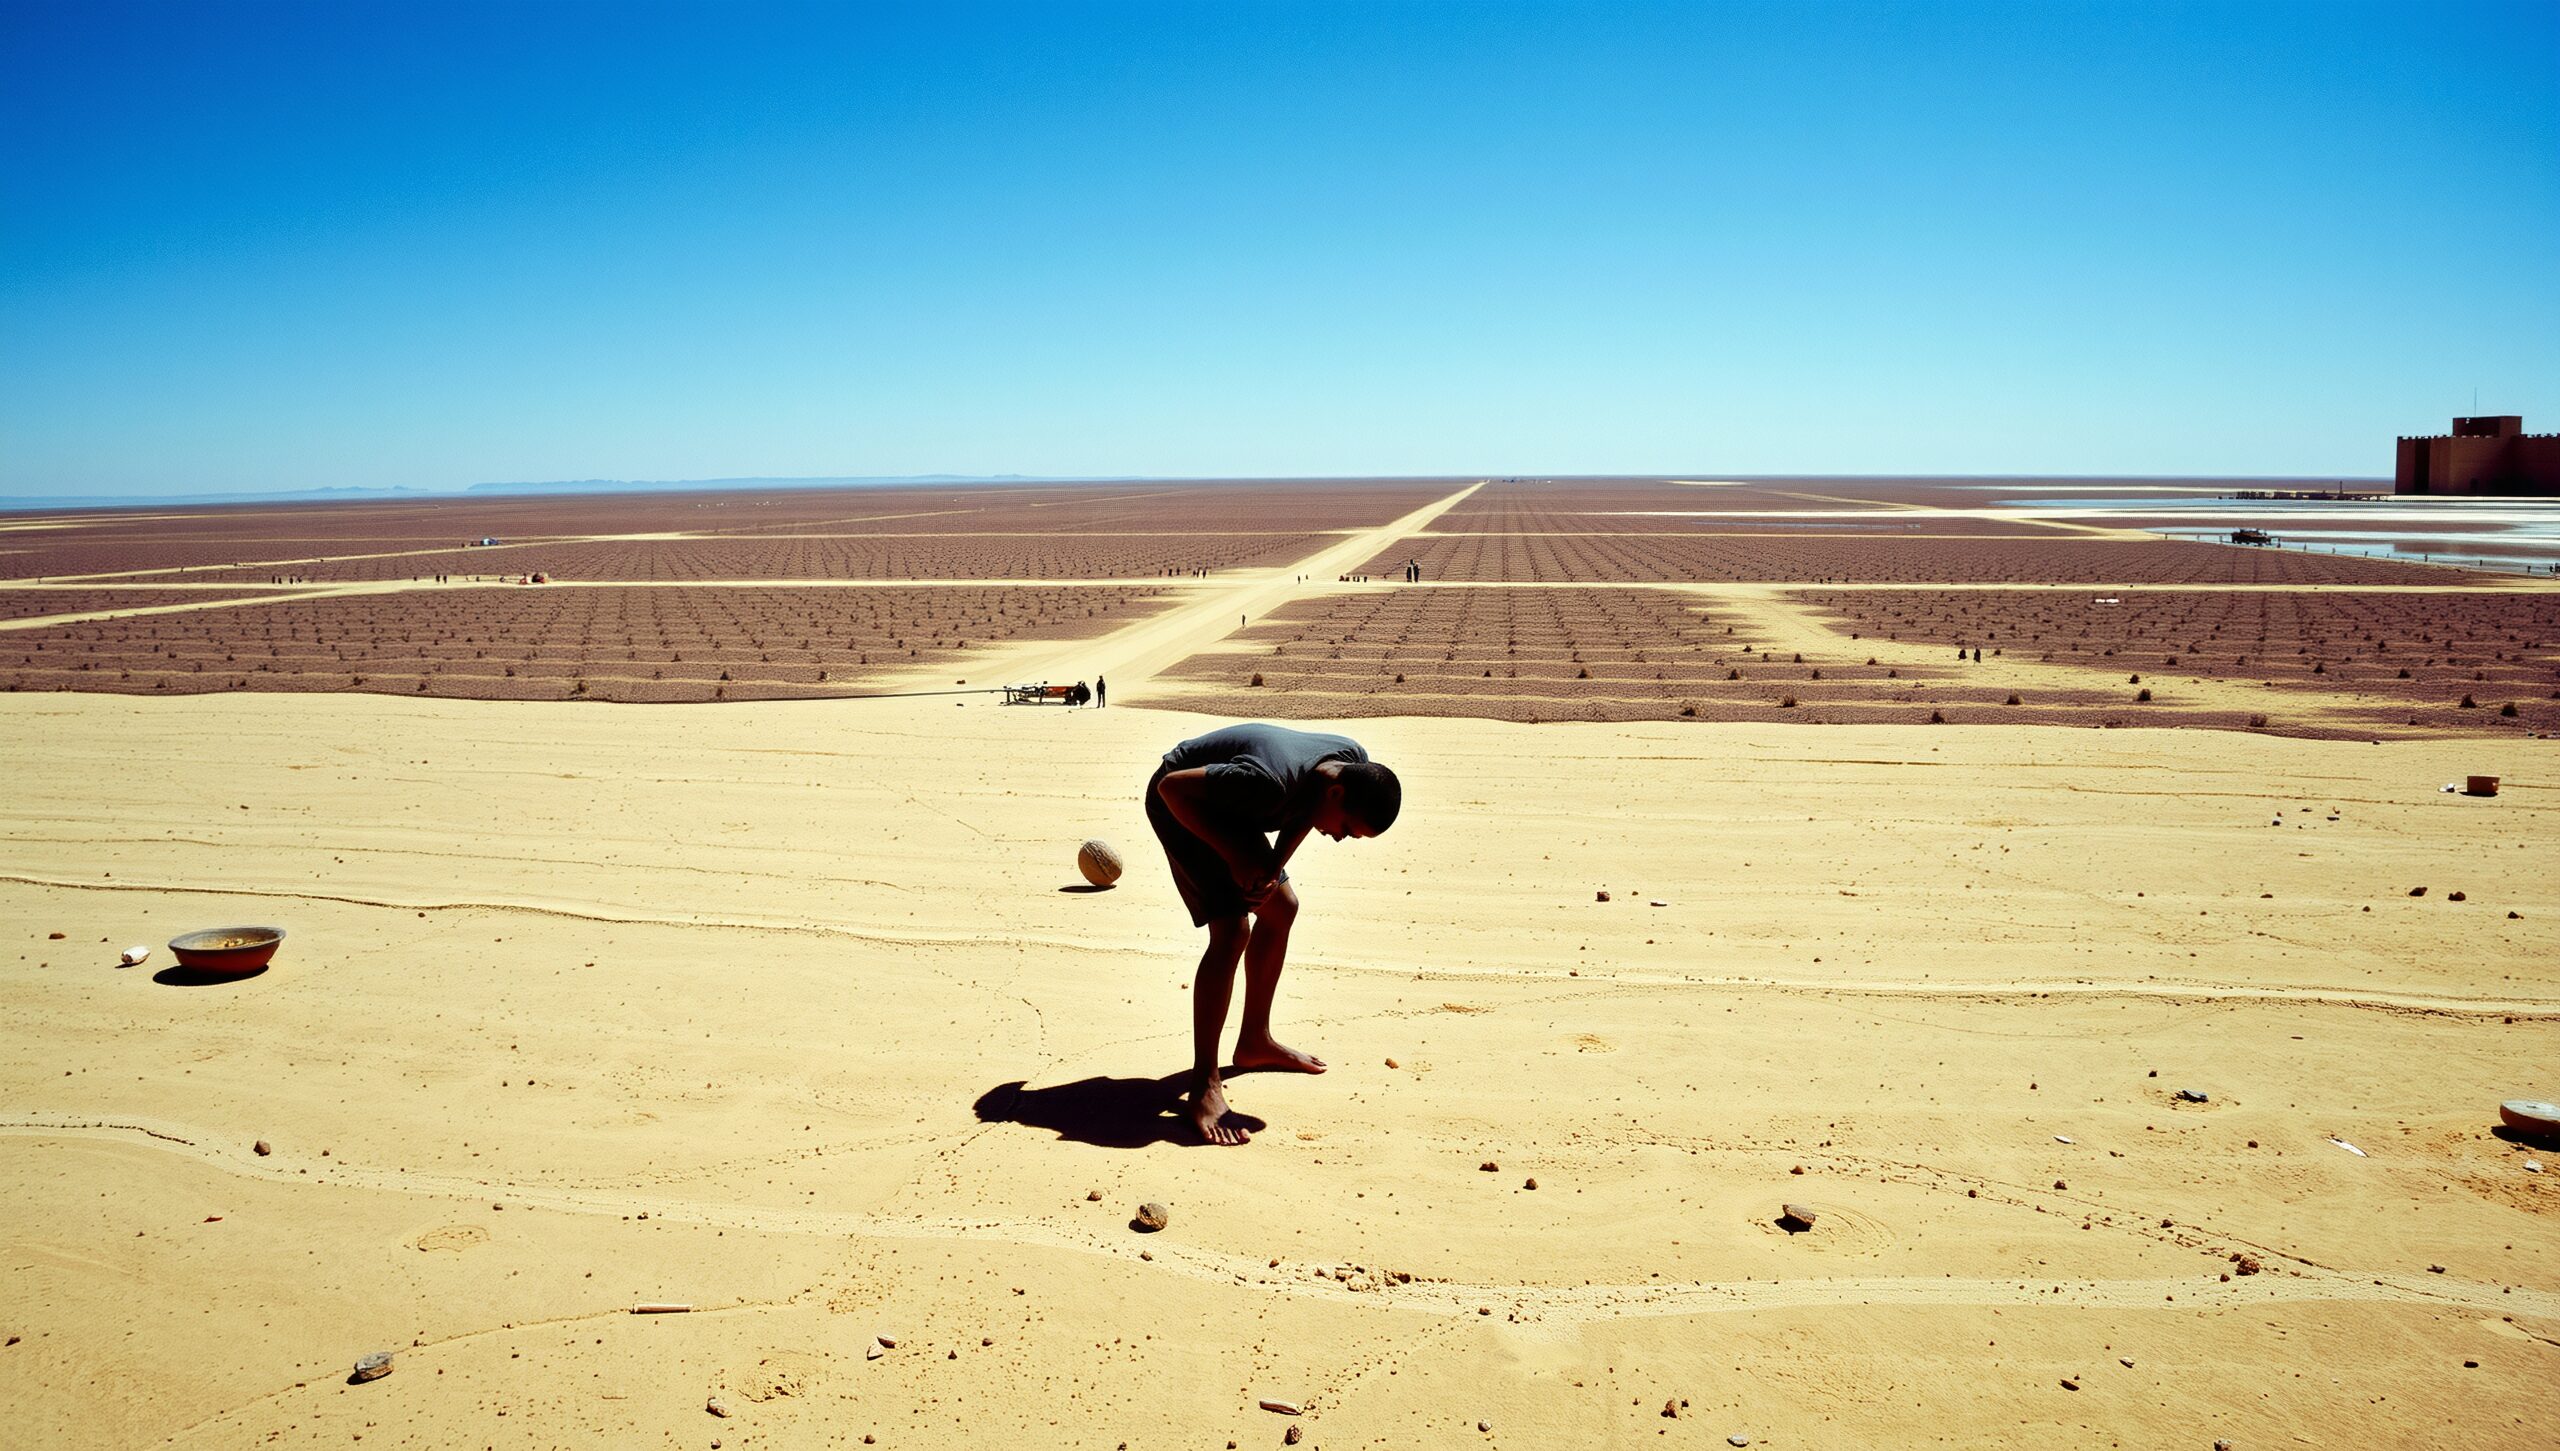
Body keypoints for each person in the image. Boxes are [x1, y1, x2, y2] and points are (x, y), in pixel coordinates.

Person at [1146, 723, 1401, 1144]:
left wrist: (1272, 864)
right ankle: (1204, 1083)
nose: (1340, 838)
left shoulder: (1349, 761)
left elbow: (1306, 807)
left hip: (1236, 807)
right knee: (1230, 931)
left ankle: (1254, 1041)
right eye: (1348, 829)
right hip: (1183, 803)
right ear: (1338, 795)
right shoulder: (1264, 783)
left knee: (1281, 908)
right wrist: (1232, 856)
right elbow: (1171, 788)